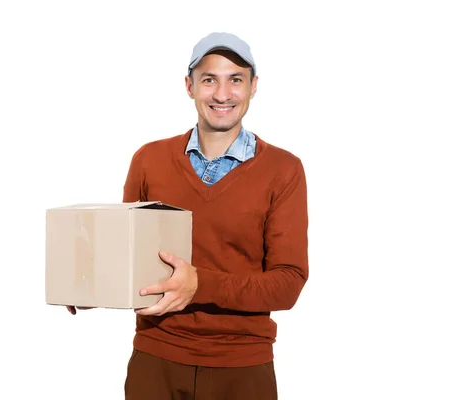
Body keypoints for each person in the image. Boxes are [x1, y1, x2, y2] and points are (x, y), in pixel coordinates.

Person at [68, 32, 309, 400]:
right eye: (209, 79)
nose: (222, 94)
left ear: (254, 86)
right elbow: (128, 256)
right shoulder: (149, 160)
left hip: (242, 367)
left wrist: (201, 284)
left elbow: (288, 283)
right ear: (189, 85)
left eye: (236, 80)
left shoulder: (283, 170)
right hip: (156, 360)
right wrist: (96, 286)